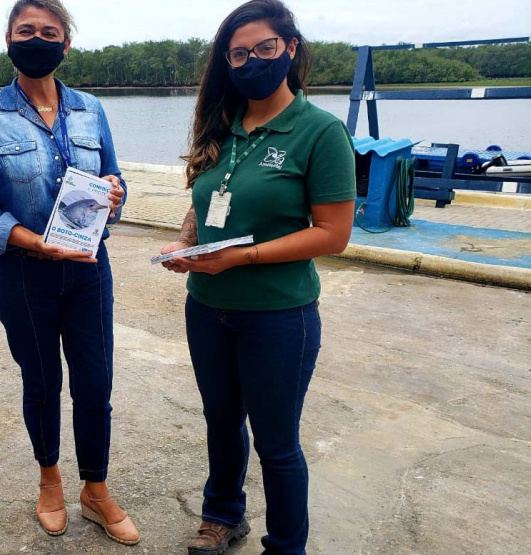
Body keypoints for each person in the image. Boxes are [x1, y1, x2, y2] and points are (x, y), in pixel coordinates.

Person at [159, 1, 355, 554]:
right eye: (238, 53)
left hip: (278, 315)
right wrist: (185, 242)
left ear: (290, 49)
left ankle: (286, 545)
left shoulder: (319, 132)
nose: (250, 62)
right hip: (208, 308)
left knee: (276, 443)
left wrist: (240, 258)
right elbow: (205, 202)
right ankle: (222, 516)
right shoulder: (222, 123)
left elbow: (332, 233)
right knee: (221, 423)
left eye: (264, 49)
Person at [0, 0, 139, 546]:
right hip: (23, 274)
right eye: (25, 30)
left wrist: (116, 194)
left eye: (49, 31)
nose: (37, 39)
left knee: (95, 382)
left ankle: (96, 488)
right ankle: (51, 481)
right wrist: (30, 240)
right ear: (9, 39)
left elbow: (114, 182)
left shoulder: (90, 110)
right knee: (41, 382)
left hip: (89, 271)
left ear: (66, 44)